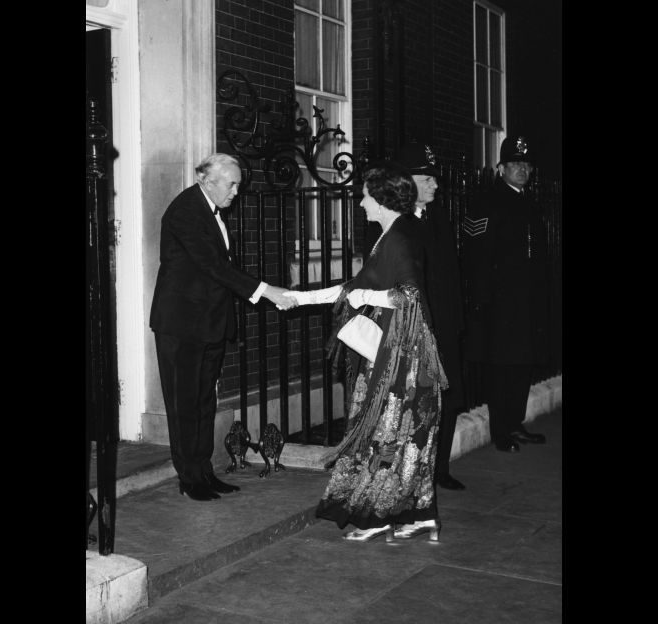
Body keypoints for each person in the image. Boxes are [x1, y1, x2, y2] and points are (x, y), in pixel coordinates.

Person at [287, 162, 448, 542]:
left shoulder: (399, 238)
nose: (360, 204)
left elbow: (407, 294)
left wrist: (365, 296)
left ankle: (376, 517)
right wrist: (298, 297)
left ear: (382, 200)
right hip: (397, 348)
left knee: (387, 430)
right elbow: (353, 285)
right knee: (408, 434)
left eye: (364, 197)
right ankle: (420, 512)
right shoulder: (393, 233)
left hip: (402, 356)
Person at [149, 153, 297, 501]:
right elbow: (213, 265)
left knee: (202, 403)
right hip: (182, 324)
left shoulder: (209, 209)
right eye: (230, 184)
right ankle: (189, 479)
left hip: (207, 322)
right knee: (184, 404)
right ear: (206, 179)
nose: (235, 192)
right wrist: (265, 290)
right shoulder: (185, 210)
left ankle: (203, 471)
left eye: (238, 184)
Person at [461, 136, 548, 453]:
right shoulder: (487, 202)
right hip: (499, 304)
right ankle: (501, 430)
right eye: (515, 164)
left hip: (526, 303)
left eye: (526, 165)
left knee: (522, 365)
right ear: (501, 168)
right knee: (501, 367)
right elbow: (475, 255)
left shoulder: (529, 204)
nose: (522, 169)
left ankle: (515, 422)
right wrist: (483, 302)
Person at [394, 140, 467, 491]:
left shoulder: (440, 216)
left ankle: (439, 469)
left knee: (447, 399)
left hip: (446, 325)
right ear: (407, 182)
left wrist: (456, 322)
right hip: (416, 327)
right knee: (415, 401)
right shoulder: (395, 221)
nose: (436, 184)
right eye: (428, 178)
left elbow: (452, 274)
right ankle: (411, 471)